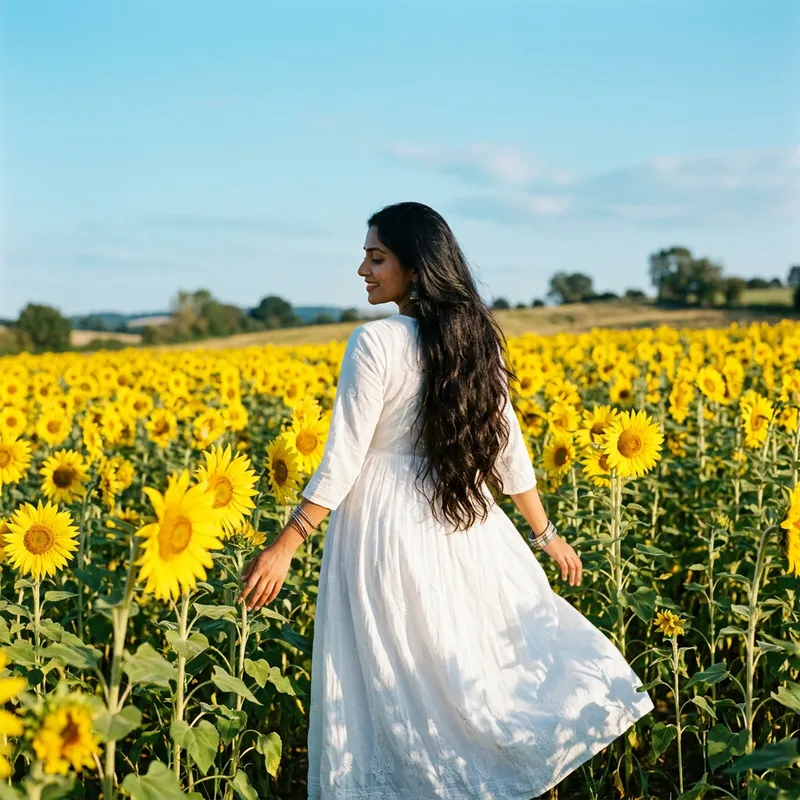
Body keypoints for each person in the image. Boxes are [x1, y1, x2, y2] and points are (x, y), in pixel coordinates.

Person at [238, 202, 654, 799]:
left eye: (376, 257)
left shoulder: (376, 342)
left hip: (381, 528)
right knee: (462, 673)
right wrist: (545, 535)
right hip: (460, 523)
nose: (362, 269)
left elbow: (344, 461)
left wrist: (285, 545)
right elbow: (509, 452)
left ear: (414, 267)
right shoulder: (476, 339)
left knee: (390, 678)